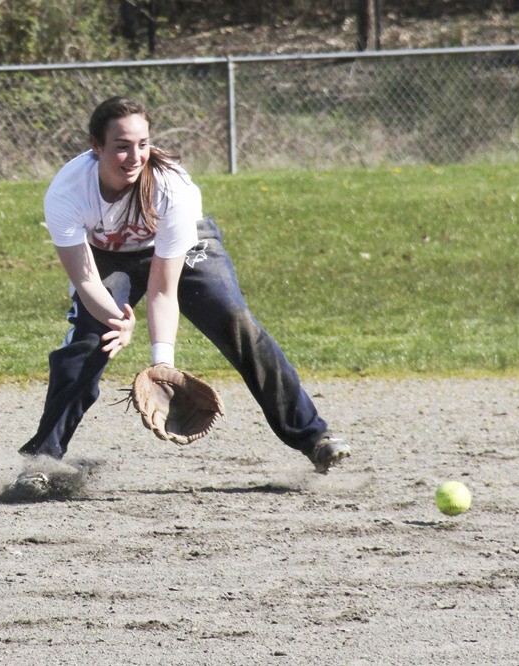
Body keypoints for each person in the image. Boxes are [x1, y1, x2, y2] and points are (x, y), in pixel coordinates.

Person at [18, 95, 350, 474]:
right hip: (108, 256)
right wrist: (118, 320)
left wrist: (163, 364)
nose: (134, 156)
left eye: (142, 145)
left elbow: (163, 289)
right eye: (121, 147)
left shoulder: (171, 187)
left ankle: (313, 437)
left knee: (236, 321)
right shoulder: (68, 192)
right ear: (96, 147)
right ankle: (43, 463)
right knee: (88, 344)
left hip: (183, 249)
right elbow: (86, 278)